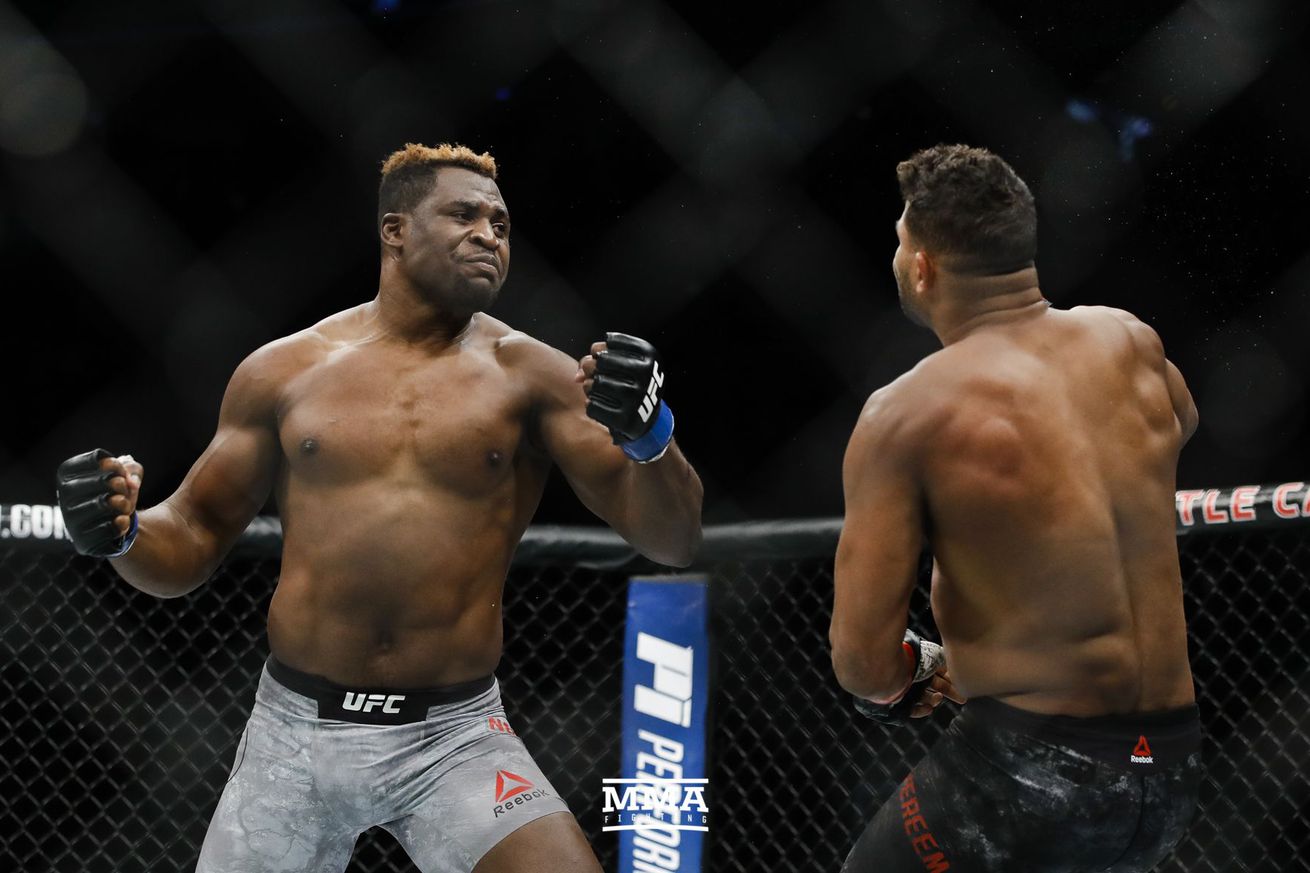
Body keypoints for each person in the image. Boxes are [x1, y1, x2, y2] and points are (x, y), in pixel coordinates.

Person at [55, 142, 703, 873]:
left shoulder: (536, 377)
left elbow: (674, 540)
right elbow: (191, 537)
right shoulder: (286, 371)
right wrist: (120, 532)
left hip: (455, 737)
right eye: (464, 215)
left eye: (500, 224)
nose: (489, 236)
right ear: (395, 230)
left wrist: (651, 439)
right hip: (293, 737)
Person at [830, 144, 1202, 872]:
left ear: (923, 266)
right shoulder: (1129, 341)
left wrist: (917, 666)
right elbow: (1180, 423)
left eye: (901, 241)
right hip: (1170, 768)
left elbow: (861, 661)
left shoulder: (906, 413)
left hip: (1033, 771)